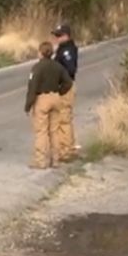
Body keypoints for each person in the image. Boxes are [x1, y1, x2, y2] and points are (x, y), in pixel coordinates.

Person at [25, 41, 74, 169]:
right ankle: (55, 160)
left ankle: (41, 161)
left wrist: (28, 105)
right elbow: (68, 82)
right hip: (55, 98)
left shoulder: (37, 68)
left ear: (41, 53)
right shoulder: (58, 66)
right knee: (54, 131)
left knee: (41, 131)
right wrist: (59, 91)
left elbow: (32, 87)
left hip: (42, 99)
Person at [51, 23, 79, 163]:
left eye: (59, 35)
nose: (56, 38)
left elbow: (70, 70)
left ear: (66, 35)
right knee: (64, 117)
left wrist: (61, 83)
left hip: (65, 87)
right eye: (56, 35)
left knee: (64, 119)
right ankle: (68, 147)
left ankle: (66, 150)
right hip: (63, 87)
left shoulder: (67, 51)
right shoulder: (62, 49)